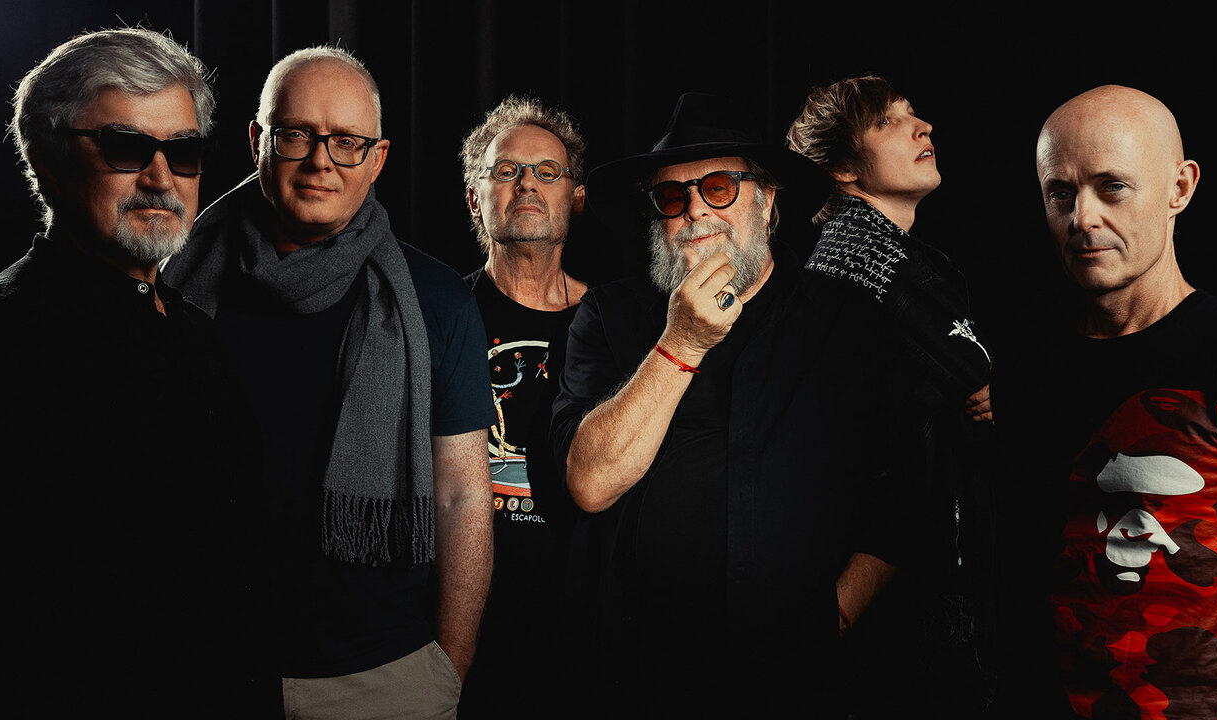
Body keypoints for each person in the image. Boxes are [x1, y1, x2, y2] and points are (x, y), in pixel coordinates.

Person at [551, 92, 919, 717]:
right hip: (640, 673)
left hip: (794, 678)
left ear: (768, 200)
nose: (696, 209)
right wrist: (681, 342)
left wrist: (834, 616)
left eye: (719, 187)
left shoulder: (846, 322)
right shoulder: (609, 315)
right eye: (672, 197)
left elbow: (901, 500)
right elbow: (589, 483)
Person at [161, 46, 495, 719]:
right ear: (257, 141)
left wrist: (445, 672)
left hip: (382, 676)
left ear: (378, 159)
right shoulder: (175, 281)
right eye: (297, 135)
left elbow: (462, 495)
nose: (321, 161)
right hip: (203, 664)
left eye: (347, 142)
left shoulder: (434, 298)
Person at [0, 28, 272, 716]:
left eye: (183, 152)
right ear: (48, 158)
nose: (160, 177)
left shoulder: (195, 333)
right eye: (126, 147)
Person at [992, 85, 1217, 719]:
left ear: (1180, 188)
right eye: (1060, 193)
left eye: (1112, 187)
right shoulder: (1023, 368)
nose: (1082, 218)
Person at [786, 74, 998, 717]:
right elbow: (978, 380)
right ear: (844, 169)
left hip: (914, 566)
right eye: (889, 121)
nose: (922, 127)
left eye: (914, 114)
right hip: (893, 585)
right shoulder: (862, 260)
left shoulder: (884, 255)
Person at [455, 94, 588, 717]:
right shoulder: (441, 316)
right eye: (506, 170)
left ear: (577, 198)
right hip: (468, 627)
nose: (527, 183)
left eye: (547, 171)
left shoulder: (618, 323)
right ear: (474, 198)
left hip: (587, 628)